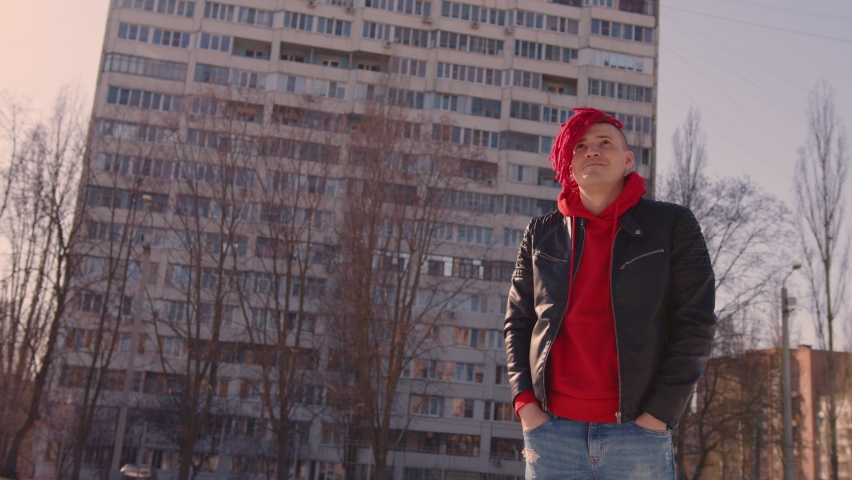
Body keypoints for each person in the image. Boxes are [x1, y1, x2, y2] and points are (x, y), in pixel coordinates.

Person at [503, 107, 716, 479]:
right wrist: (525, 403)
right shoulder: (540, 233)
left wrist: (659, 414)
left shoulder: (672, 224)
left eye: (605, 143)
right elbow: (518, 322)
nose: (592, 150)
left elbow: (696, 323)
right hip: (551, 433)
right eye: (580, 145)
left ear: (628, 160)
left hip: (639, 433)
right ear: (569, 164)